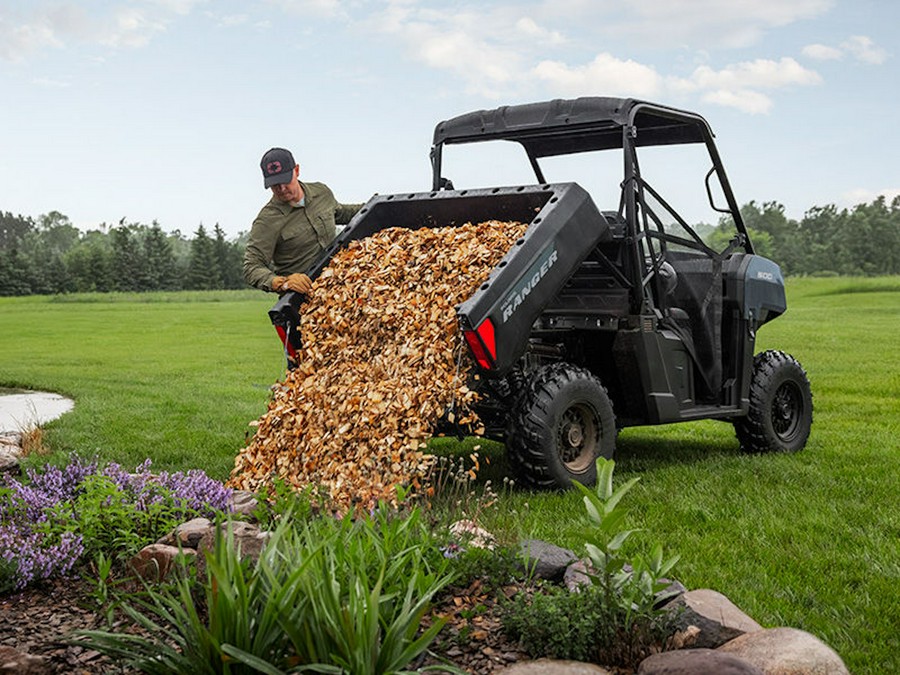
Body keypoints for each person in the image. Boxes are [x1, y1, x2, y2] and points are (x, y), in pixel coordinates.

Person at [243, 147, 363, 294]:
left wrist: (377, 204)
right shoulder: (266, 221)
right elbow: (252, 266)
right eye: (274, 184)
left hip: (341, 286)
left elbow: (342, 213)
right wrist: (283, 283)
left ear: (297, 170)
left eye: (285, 180)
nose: (281, 188)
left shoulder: (321, 193)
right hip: (304, 300)